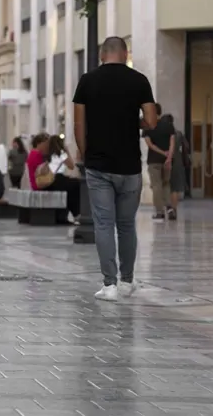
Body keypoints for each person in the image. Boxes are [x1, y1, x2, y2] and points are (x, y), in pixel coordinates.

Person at [73, 36, 158, 302]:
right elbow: (152, 121)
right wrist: (134, 124)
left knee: (103, 224)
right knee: (126, 225)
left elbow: (78, 125)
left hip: (98, 165)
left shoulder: (87, 81)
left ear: (101, 55)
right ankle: (127, 281)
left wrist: (87, 155)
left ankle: (109, 284)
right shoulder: (139, 80)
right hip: (129, 166)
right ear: (125, 53)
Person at [143, 103, 176, 221]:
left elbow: (150, 145)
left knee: (156, 186)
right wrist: (169, 157)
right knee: (166, 184)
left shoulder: (148, 127)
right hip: (166, 161)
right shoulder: (168, 125)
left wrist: (163, 153)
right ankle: (170, 208)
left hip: (153, 161)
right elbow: (172, 142)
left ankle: (159, 212)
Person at [163, 114, 189, 215]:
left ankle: (167, 207)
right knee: (175, 188)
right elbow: (186, 147)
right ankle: (174, 210)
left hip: (164, 161)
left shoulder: (163, 134)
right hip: (178, 162)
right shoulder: (178, 134)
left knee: (165, 186)